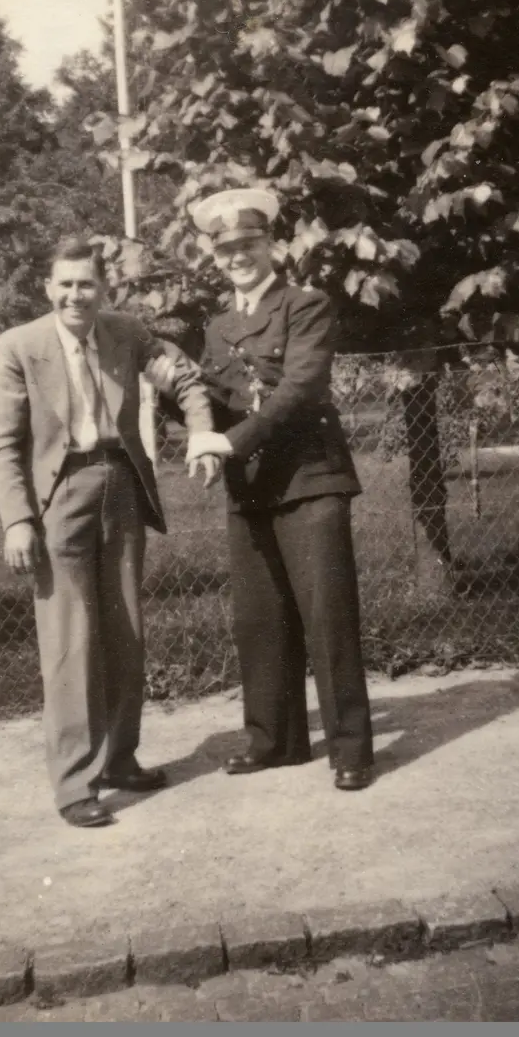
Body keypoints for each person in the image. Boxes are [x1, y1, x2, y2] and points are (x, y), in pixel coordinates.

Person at [0, 236, 218, 828]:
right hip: (58, 497)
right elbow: (1, 446)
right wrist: (16, 519)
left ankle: (119, 759)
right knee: (69, 640)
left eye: (86, 284)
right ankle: (72, 784)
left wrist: (202, 431)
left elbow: (183, 378)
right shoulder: (19, 348)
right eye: (64, 284)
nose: (75, 295)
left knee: (125, 630)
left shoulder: (126, 333)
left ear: (102, 288)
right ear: (48, 288)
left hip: (122, 487)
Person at [185, 188, 374, 791]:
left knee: (328, 618)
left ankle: (351, 750)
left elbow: (300, 388)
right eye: (226, 250)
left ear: (271, 245)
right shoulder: (218, 327)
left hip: (310, 479)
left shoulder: (305, 304)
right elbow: (214, 402)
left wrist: (231, 442)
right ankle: (275, 741)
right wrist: (172, 396)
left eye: (248, 244)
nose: (238, 257)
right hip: (251, 488)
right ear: (214, 258)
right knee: (259, 621)